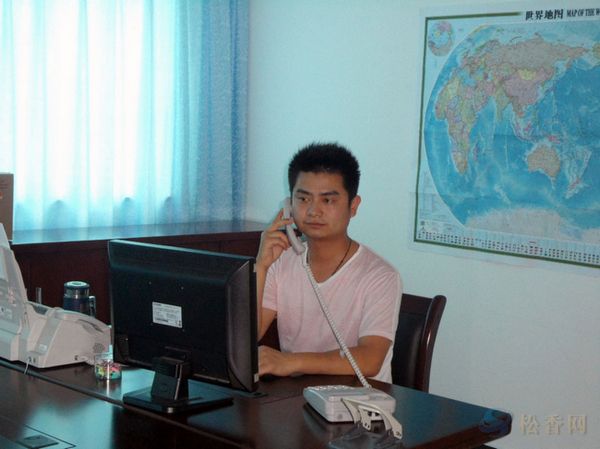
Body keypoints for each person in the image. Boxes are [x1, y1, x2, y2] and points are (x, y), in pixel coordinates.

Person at [256, 142, 402, 383]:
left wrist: (291, 361)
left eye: (328, 201)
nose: (314, 211)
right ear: (289, 205)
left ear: (353, 206)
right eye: (303, 199)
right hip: (296, 395)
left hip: (359, 399)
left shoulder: (380, 276)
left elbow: (370, 359)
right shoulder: (281, 261)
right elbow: (247, 336)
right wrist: (261, 267)